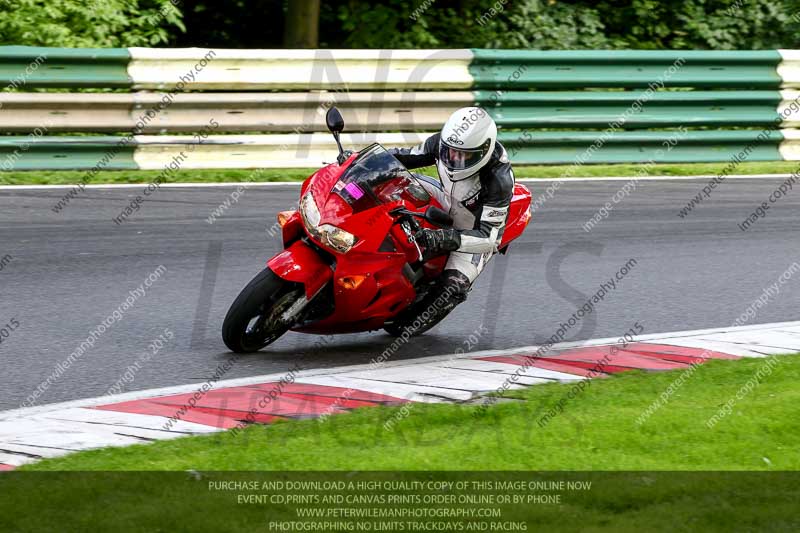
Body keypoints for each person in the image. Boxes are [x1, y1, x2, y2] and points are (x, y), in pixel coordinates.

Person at [384, 106, 515, 336]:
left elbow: (490, 238)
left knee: (454, 285)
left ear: (484, 150)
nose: (455, 159)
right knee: (392, 184)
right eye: (451, 152)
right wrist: (362, 160)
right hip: (445, 197)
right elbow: (406, 156)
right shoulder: (441, 143)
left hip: (472, 227)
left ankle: (413, 320)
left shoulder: (498, 180)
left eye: (465, 155)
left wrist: (444, 237)